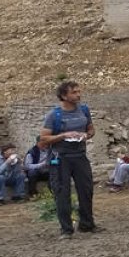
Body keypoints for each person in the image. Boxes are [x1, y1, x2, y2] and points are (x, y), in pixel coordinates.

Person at [39, 80, 97, 239]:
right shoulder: (54, 115)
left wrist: (86, 135)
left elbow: (91, 129)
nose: (78, 95)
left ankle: (86, 224)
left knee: (86, 190)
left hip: (80, 155)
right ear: (64, 96)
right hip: (60, 158)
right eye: (74, 92)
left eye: (79, 91)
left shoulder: (84, 110)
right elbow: (43, 139)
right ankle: (66, 229)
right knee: (62, 193)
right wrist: (63, 135)